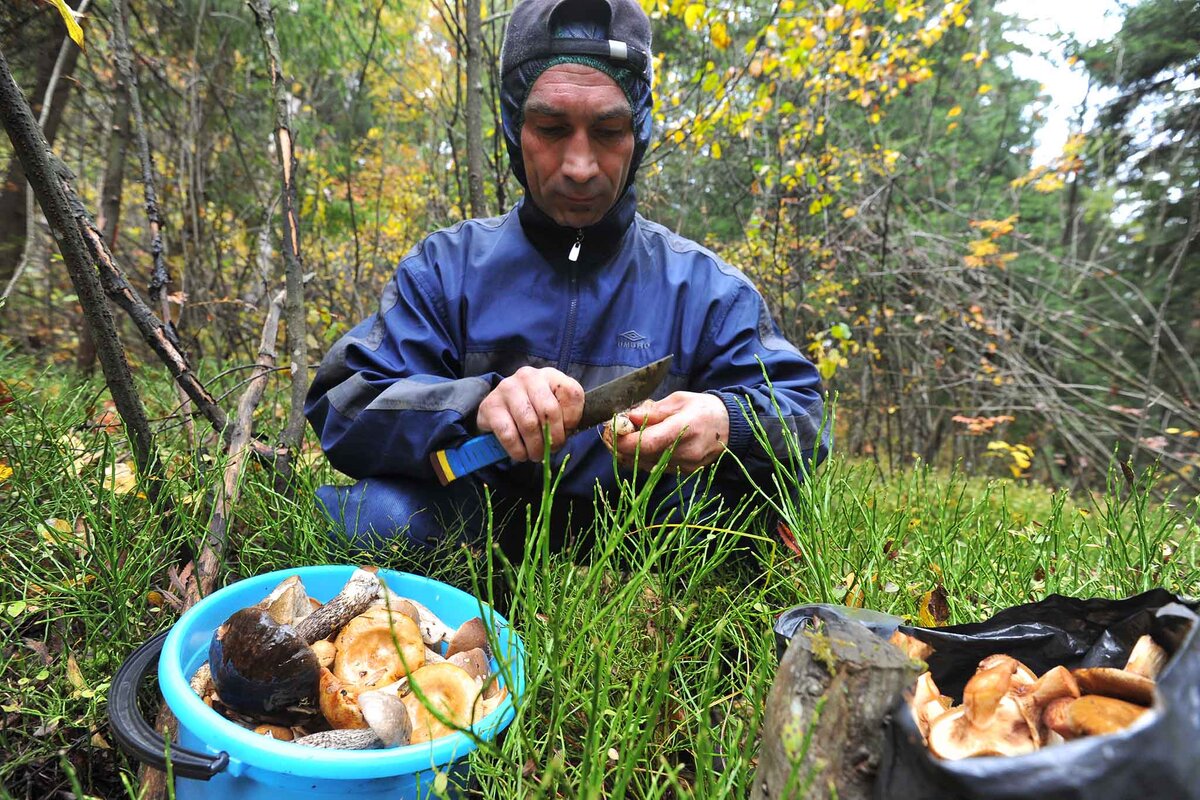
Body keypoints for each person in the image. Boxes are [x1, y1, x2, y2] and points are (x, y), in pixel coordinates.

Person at [304, 0, 829, 553]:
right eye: (552, 128)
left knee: (755, 523)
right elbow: (343, 403)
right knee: (375, 517)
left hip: (644, 539)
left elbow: (807, 416)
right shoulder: (446, 268)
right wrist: (475, 405)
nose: (580, 166)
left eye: (607, 130)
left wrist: (728, 422)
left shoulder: (705, 290)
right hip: (476, 530)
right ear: (514, 125)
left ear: (639, 131)